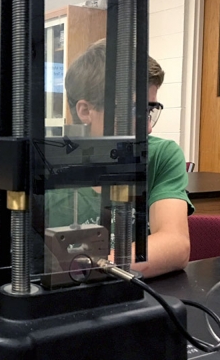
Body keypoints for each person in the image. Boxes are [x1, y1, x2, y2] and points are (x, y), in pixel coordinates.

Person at [47, 39, 192, 278]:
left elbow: (175, 244)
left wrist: (87, 268)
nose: (147, 129)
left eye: (150, 111)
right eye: (135, 111)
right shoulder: (49, 165)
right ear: (85, 111)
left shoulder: (160, 155)